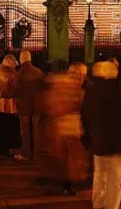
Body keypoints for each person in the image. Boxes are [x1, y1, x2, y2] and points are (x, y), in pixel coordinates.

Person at [82, 60, 121, 209]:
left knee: (99, 175)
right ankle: (111, 205)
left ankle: (98, 202)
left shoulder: (90, 93)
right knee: (114, 178)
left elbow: (85, 116)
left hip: (97, 141)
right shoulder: (118, 92)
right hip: (115, 143)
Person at [41, 62, 87, 195]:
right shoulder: (70, 87)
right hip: (67, 128)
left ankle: (66, 183)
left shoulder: (59, 84)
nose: (82, 78)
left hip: (63, 128)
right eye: (81, 75)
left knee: (66, 159)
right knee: (70, 159)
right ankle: (67, 184)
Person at [15, 50, 44, 161]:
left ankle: (26, 153)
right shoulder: (38, 72)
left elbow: (16, 89)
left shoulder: (19, 73)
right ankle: (36, 153)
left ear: (21, 59)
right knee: (36, 130)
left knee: (25, 130)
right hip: (37, 105)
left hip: (23, 105)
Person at [0, 54, 20, 157]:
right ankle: (8, 148)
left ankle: (2, 148)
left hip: (0, 103)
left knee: (2, 126)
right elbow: (15, 89)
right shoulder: (12, 74)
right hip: (10, 104)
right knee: (10, 127)